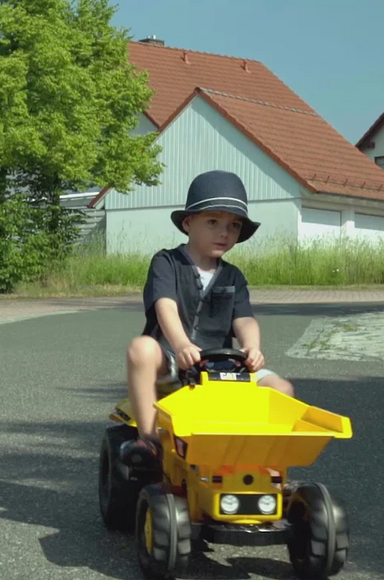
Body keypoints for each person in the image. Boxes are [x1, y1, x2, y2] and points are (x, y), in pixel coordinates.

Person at [120, 170, 295, 468]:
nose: (224, 233)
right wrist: (181, 344)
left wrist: (252, 347)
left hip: (223, 367)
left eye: (233, 226)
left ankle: (260, 461)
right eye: (213, 222)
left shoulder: (233, 276)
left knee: (283, 390)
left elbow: (245, 320)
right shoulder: (167, 262)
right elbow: (165, 306)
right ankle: (148, 441)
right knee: (141, 349)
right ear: (188, 223)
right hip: (174, 361)